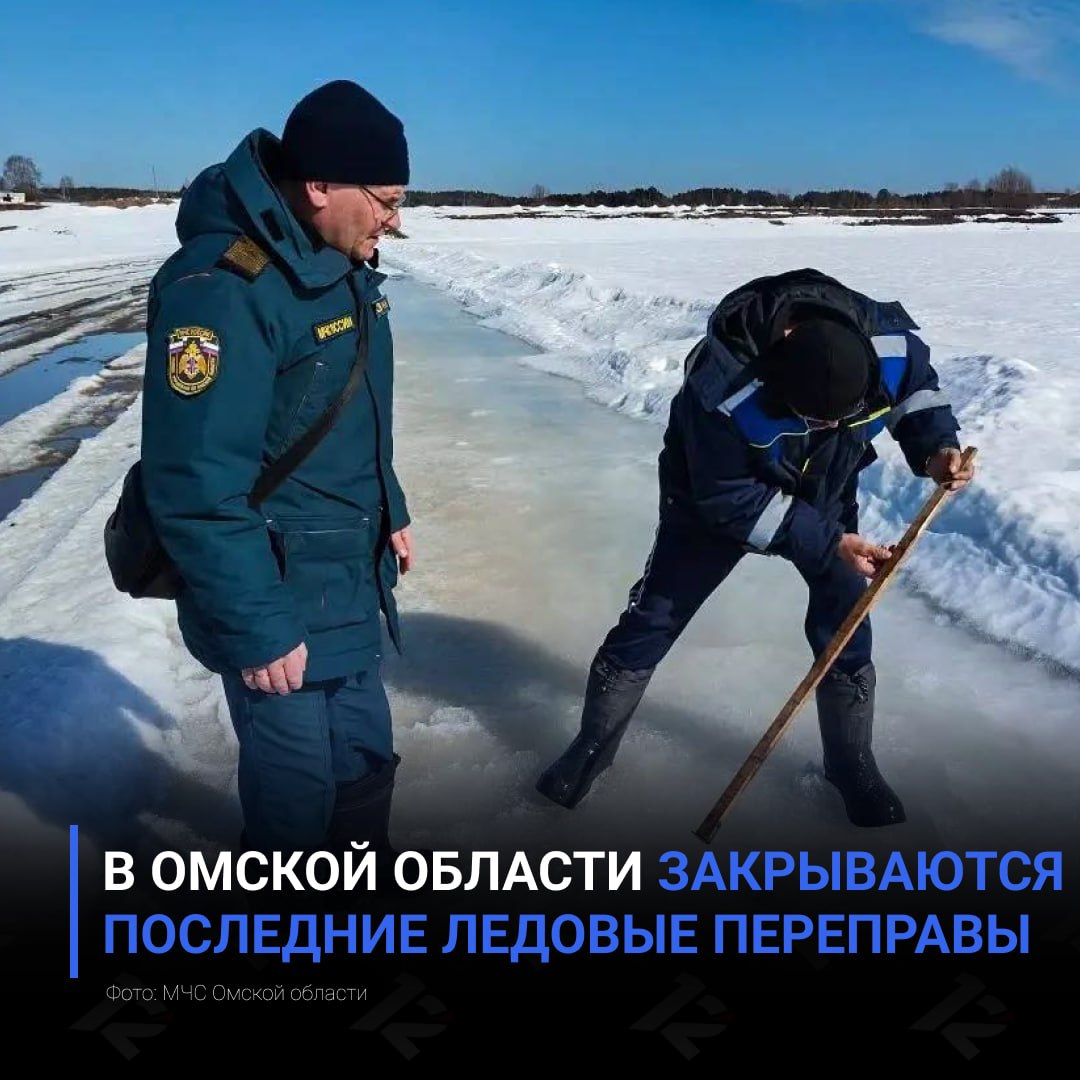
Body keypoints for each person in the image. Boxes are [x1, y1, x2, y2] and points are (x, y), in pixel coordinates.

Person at [536, 268, 974, 827]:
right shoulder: (722, 387)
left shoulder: (890, 347)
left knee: (846, 616)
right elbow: (729, 499)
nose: (831, 426)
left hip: (826, 490)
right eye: (816, 419)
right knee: (655, 614)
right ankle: (592, 747)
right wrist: (829, 542)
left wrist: (938, 448)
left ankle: (851, 764)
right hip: (710, 498)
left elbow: (919, 396)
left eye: (844, 418)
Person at [140, 80, 413, 853]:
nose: (395, 220)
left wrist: (391, 506)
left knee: (363, 763)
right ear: (320, 185)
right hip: (275, 590)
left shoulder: (335, 262)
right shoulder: (224, 291)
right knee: (297, 801)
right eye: (387, 201)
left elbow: (344, 414)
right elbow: (193, 482)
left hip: (344, 574)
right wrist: (257, 626)